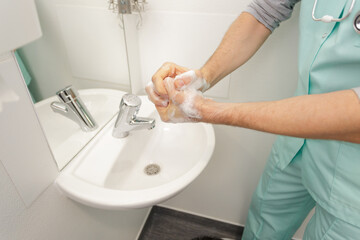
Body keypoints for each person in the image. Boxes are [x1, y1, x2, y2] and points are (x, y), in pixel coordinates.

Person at [146, 0, 360, 239]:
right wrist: (201, 78)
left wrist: (209, 110)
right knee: (262, 225)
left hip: (353, 182)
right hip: (296, 142)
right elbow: (266, 10)